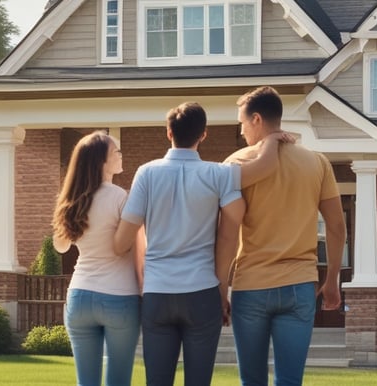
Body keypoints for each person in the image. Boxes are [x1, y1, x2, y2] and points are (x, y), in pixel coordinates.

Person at [113, 102, 288, 386]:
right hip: (201, 293)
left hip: (158, 294)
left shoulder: (146, 173)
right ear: (203, 134)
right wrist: (271, 138)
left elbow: (122, 242)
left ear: (169, 132)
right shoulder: (218, 174)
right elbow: (265, 167)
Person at [224, 86, 346, 386]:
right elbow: (336, 225)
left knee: (251, 381)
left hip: (250, 285)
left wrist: (219, 286)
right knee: (290, 381)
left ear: (256, 119)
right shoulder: (317, 163)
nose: (241, 132)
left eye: (242, 123)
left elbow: (224, 233)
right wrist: (332, 281)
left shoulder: (236, 164)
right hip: (299, 285)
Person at [51, 131, 141, 386]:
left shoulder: (69, 201)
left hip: (80, 296)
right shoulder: (121, 197)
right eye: (117, 152)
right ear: (101, 161)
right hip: (119, 298)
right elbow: (130, 247)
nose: (121, 156)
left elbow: (60, 246)